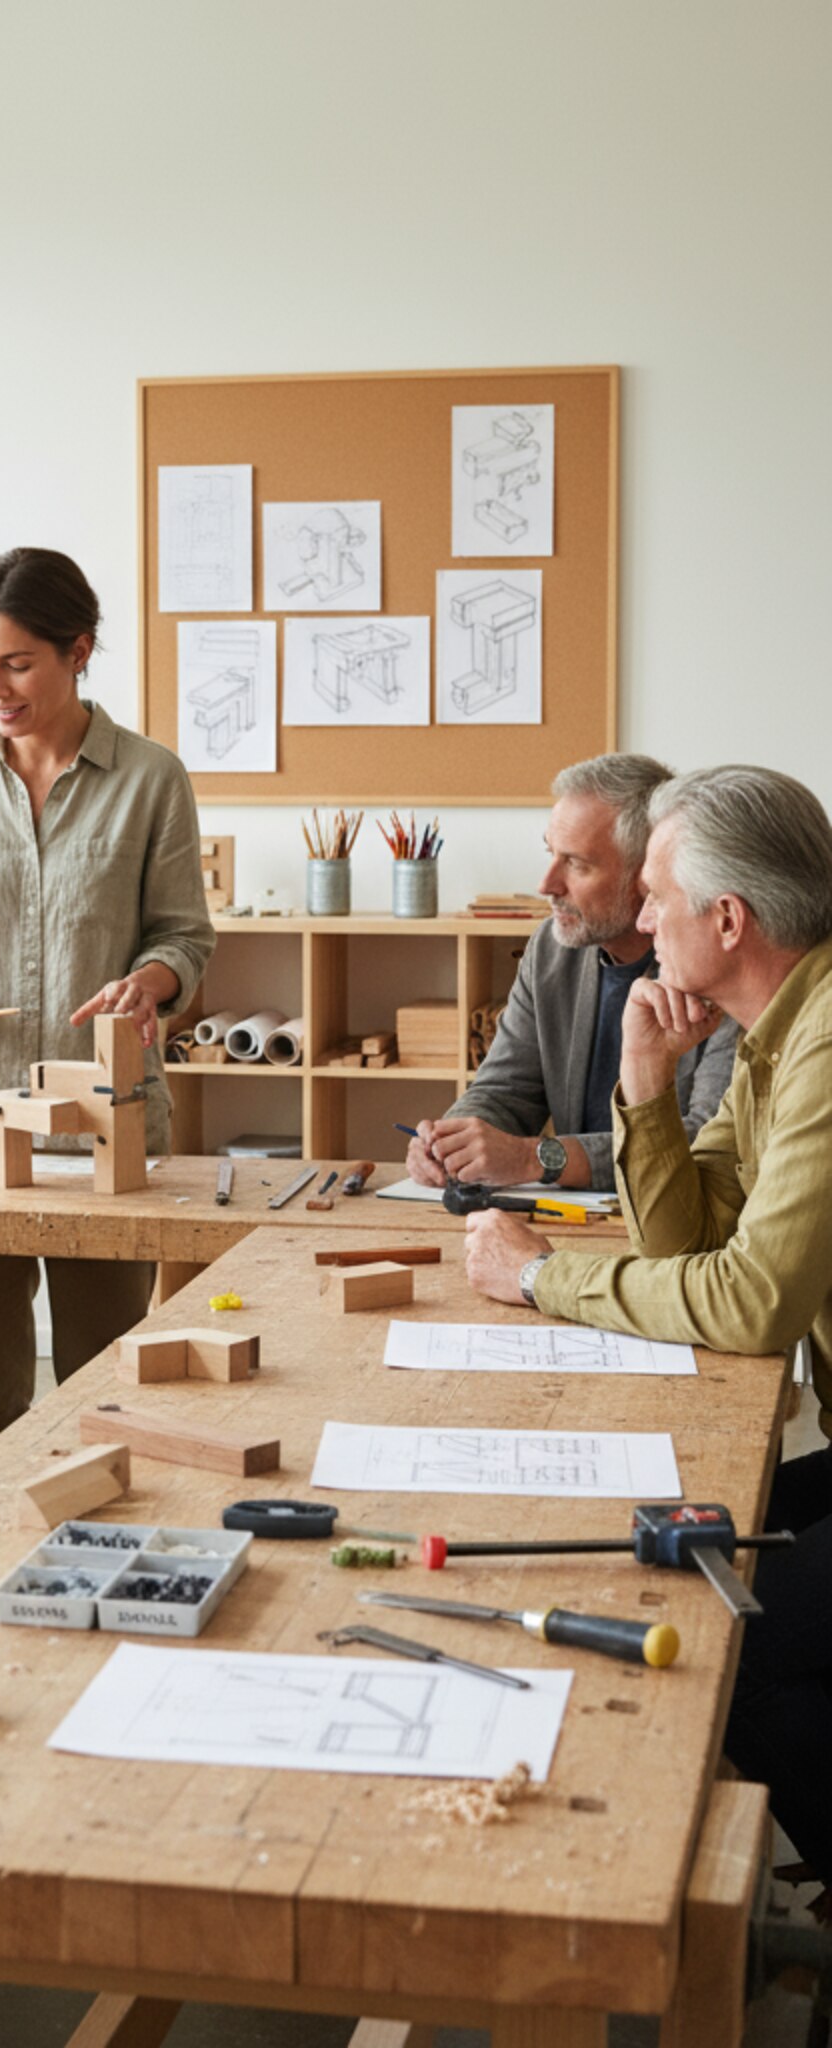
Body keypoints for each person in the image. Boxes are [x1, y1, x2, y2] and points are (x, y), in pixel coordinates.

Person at [461, 766, 832, 1901]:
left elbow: (748, 1301)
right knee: (685, 1547)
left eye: (657, 896)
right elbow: (689, 1237)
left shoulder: (825, 1038)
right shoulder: (774, 1029)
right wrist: (642, 1077)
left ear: (728, 920)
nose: (641, 917)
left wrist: (544, 1279)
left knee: (719, 1647)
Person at [0, 547, 215, 1459]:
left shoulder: (151, 778)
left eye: (18, 664)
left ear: (79, 651)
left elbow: (185, 938)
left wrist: (149, 983)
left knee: (104, 1388)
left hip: (104, 1131)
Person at [408, 753, 736, 1192]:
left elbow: (708, 1141)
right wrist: (452, 1142)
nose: (546, 885)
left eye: (577, 864)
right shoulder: (552, 948)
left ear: (649, 872)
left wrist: (537, 1158)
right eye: (551, 854)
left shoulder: (717, 959)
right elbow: (505, 1089)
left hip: (685, 1213)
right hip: (575, 1215)